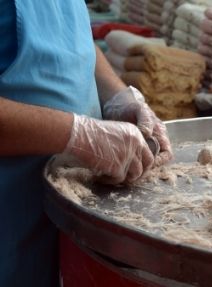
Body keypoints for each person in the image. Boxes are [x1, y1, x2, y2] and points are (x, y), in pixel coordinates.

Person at [0, 1, 173, 286]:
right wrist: (78, 134)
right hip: (11, 223)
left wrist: (116, 95)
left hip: (70, 225)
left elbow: (71, 39)